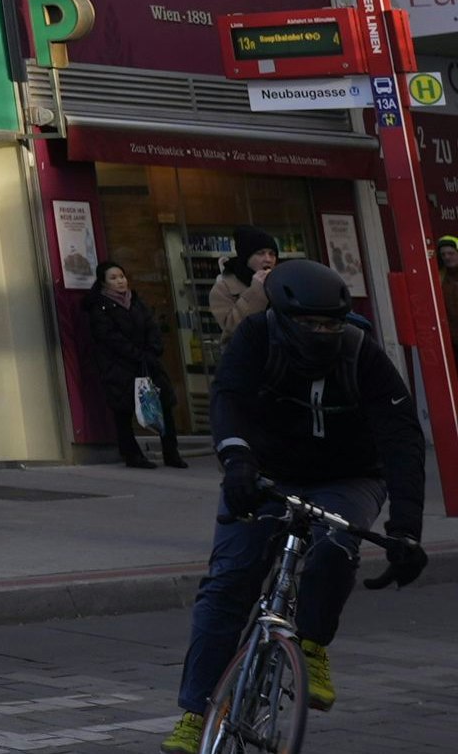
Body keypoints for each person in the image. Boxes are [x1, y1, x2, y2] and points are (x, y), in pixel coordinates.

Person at [161, 258, 427, 748]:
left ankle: (312, 644)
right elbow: (229, 399)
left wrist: (406, 527)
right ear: (283, 318)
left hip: (348, 476)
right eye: (309, 324)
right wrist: (236, 460)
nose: (322, 332)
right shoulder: (256, 338)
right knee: (228, 583)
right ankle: (195, 715)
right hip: (267, 474)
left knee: (335, 545)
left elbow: (401, 437)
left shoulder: (360, 353)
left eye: (330, 323)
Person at [81, 262, 179, 472]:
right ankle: (132, 454)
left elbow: (152, 327)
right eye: (114, 278)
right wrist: (136, 354)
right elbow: (108, 337)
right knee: (124, 412)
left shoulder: (135, 301)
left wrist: (152, 351)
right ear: (103, 283)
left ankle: (171, 452)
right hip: (119, 366)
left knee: (165, 406)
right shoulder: (100, 307)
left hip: (147, 363)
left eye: (122, 276)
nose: (120, 281)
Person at [209, 228, 279, 338]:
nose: (268, 259)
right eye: (260, 253)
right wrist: (257, 291)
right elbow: (232, 328)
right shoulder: (224, 288)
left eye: (272, 254)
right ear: (246, 257)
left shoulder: (280, 281)